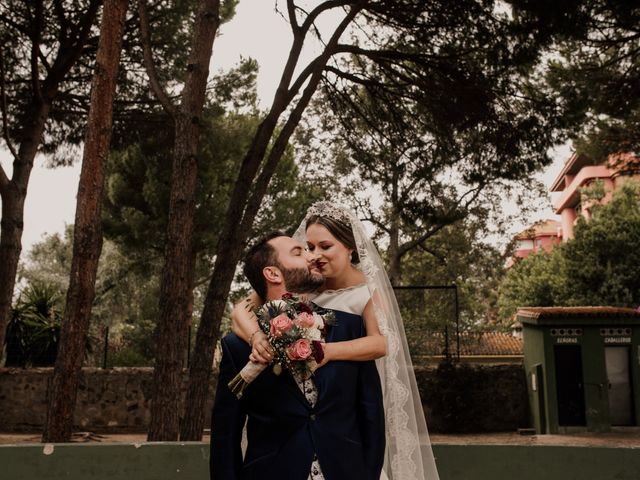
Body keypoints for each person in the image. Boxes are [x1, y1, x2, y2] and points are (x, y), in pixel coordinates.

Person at [231, 202, 440, 480]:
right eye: (309, 247)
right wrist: (257, 336)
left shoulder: (368, 290)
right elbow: (239, 309)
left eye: (325, 247)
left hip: (346, 411)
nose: (315, 255)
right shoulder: (305, 284)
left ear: (349, 247)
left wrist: (325, 351)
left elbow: (382, 343)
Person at [210, 231, 386, 480]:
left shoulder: (350, 327)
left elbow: (371, 415)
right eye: (299, 252)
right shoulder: (237, 346)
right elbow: (225, 435)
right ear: (272, 273)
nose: (312, 256)